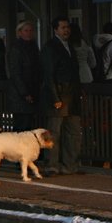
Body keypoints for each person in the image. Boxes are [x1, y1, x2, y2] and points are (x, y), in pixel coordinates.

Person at [42, 16, 83, 175]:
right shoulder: (50, 47)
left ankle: (70, 165)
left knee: (73, 132)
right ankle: (51, 165)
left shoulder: (69, 46)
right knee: (54, 131)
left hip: (71, 95)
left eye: (67, 27)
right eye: (63, 27)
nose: (66, 30)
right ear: (55, 30)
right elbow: (48, 74)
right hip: (59, 95)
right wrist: (55, 97)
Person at [6, 20, 41, 131]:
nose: (29, 33)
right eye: (26, 31)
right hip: (20, 95)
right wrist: (25, 93)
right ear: (19, 32)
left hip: (32, 90)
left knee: (29, 125)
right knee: (22, 125)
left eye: (31, 31)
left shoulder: (33, 47)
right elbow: (16, 73)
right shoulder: (16, 48)